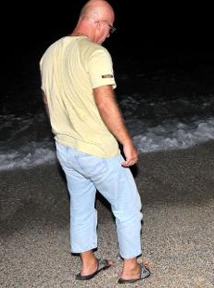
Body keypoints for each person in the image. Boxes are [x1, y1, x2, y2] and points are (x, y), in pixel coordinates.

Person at [39, 0, 151, 283]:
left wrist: (64, 128)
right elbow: (104, 101)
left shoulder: (49, 53)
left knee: (80, 204)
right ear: (98, 22)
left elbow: (47, 100)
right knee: (127, 207)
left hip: (65, 148)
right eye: (110, 27)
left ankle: (88, 264)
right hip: (97, 150)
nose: (109, 34)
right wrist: (125, 140)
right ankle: (131, 269)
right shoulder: (95, 53)